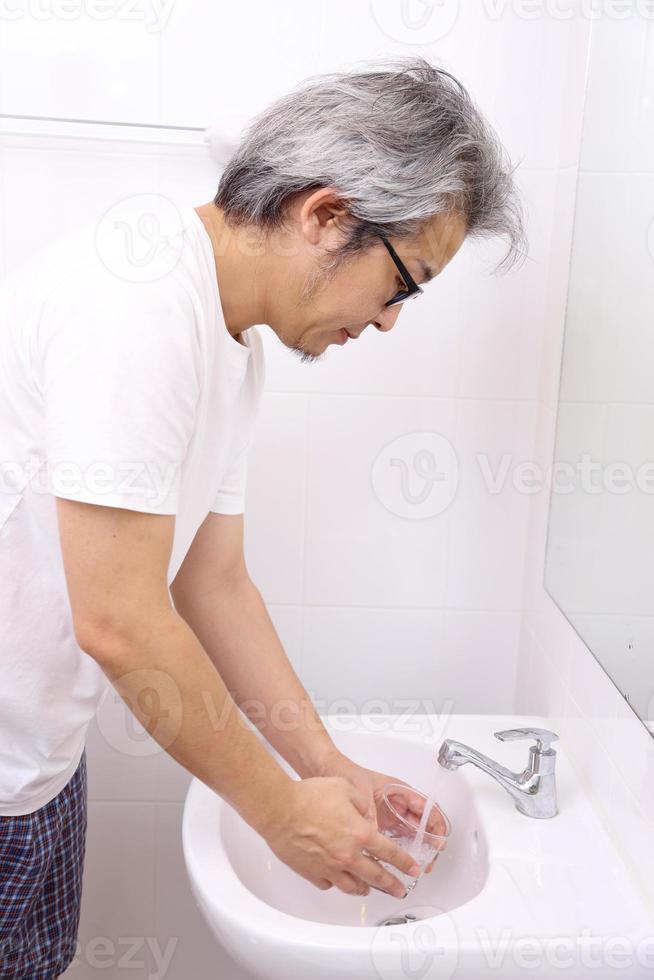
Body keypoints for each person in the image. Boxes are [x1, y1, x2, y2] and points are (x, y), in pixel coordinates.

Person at [0, 55, 525, 978]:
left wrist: (323, 765)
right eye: (404, 283)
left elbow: (214, 582)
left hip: (37, 753)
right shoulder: (138, 298)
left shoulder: (231, 343)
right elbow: (120, 621)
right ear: (325, 215)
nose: (393, 319)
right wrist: (277, 812)